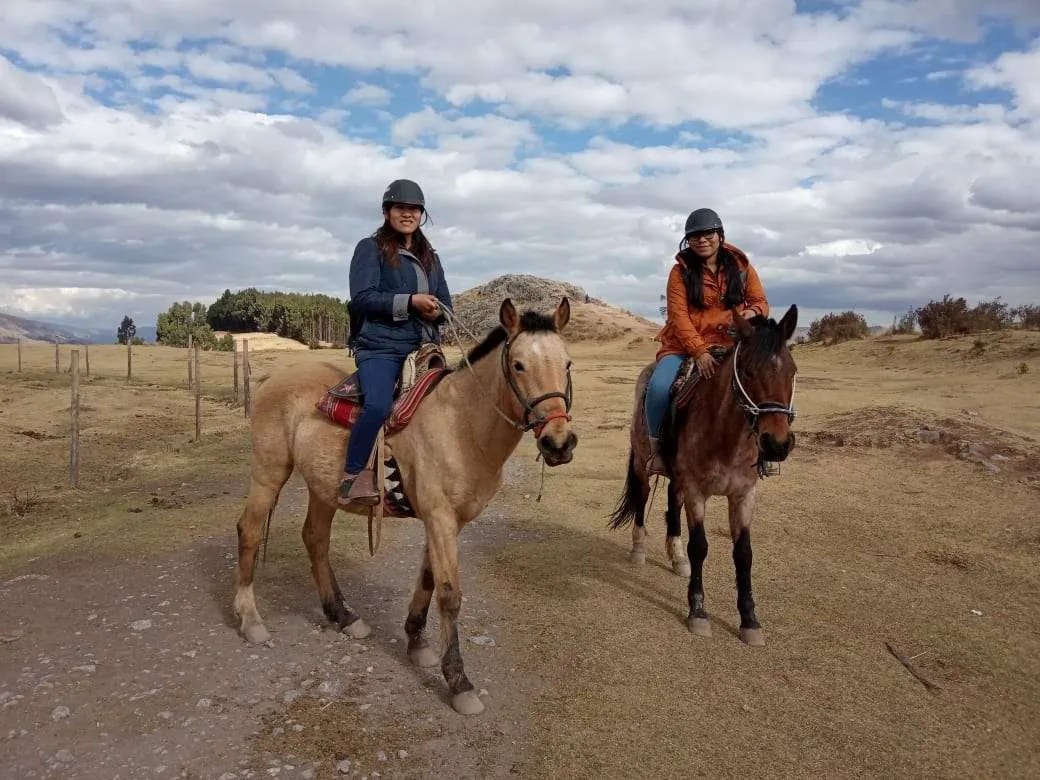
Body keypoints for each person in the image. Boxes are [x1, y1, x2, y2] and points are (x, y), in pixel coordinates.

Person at [339, 179, 453, 506]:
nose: (408, 213)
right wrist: (410, 302)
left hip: (423, 347)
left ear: (422, 214)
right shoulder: (369, 248)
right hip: (380, 346)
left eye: (414, 208)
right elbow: (362, 298)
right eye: (401, 208)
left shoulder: (431, 257)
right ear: (387, 211)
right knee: (377, 404)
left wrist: (436, 311)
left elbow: (445, 302)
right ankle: (353, 475)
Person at [645, 208, 769, 475]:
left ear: (720, 235)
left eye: (708, 233)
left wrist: (752, 313)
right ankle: (656, 451)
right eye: (695, 236)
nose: (702, 240)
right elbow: (678, 317)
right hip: (682, 346)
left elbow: (760, 302)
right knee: (657, 388)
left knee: (764, 383)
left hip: (731, 343)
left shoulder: (742, 267)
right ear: (687, 240)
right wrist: (699, 351)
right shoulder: (679, 272)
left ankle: (763, 448)